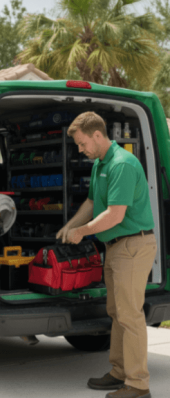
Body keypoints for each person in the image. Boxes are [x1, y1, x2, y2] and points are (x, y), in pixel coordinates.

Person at [57, 112, 156, 398]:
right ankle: (119, 372)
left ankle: (138, 385)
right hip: (114, 247)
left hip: (132, 246)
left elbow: (115, 214)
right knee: (117, 313)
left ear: (98, 135)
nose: (80, 149)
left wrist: (82, 232)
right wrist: (70, 225)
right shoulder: (100, 163)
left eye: (82, 143)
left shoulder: (122, 164)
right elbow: (91, 202)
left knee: (130, 315)